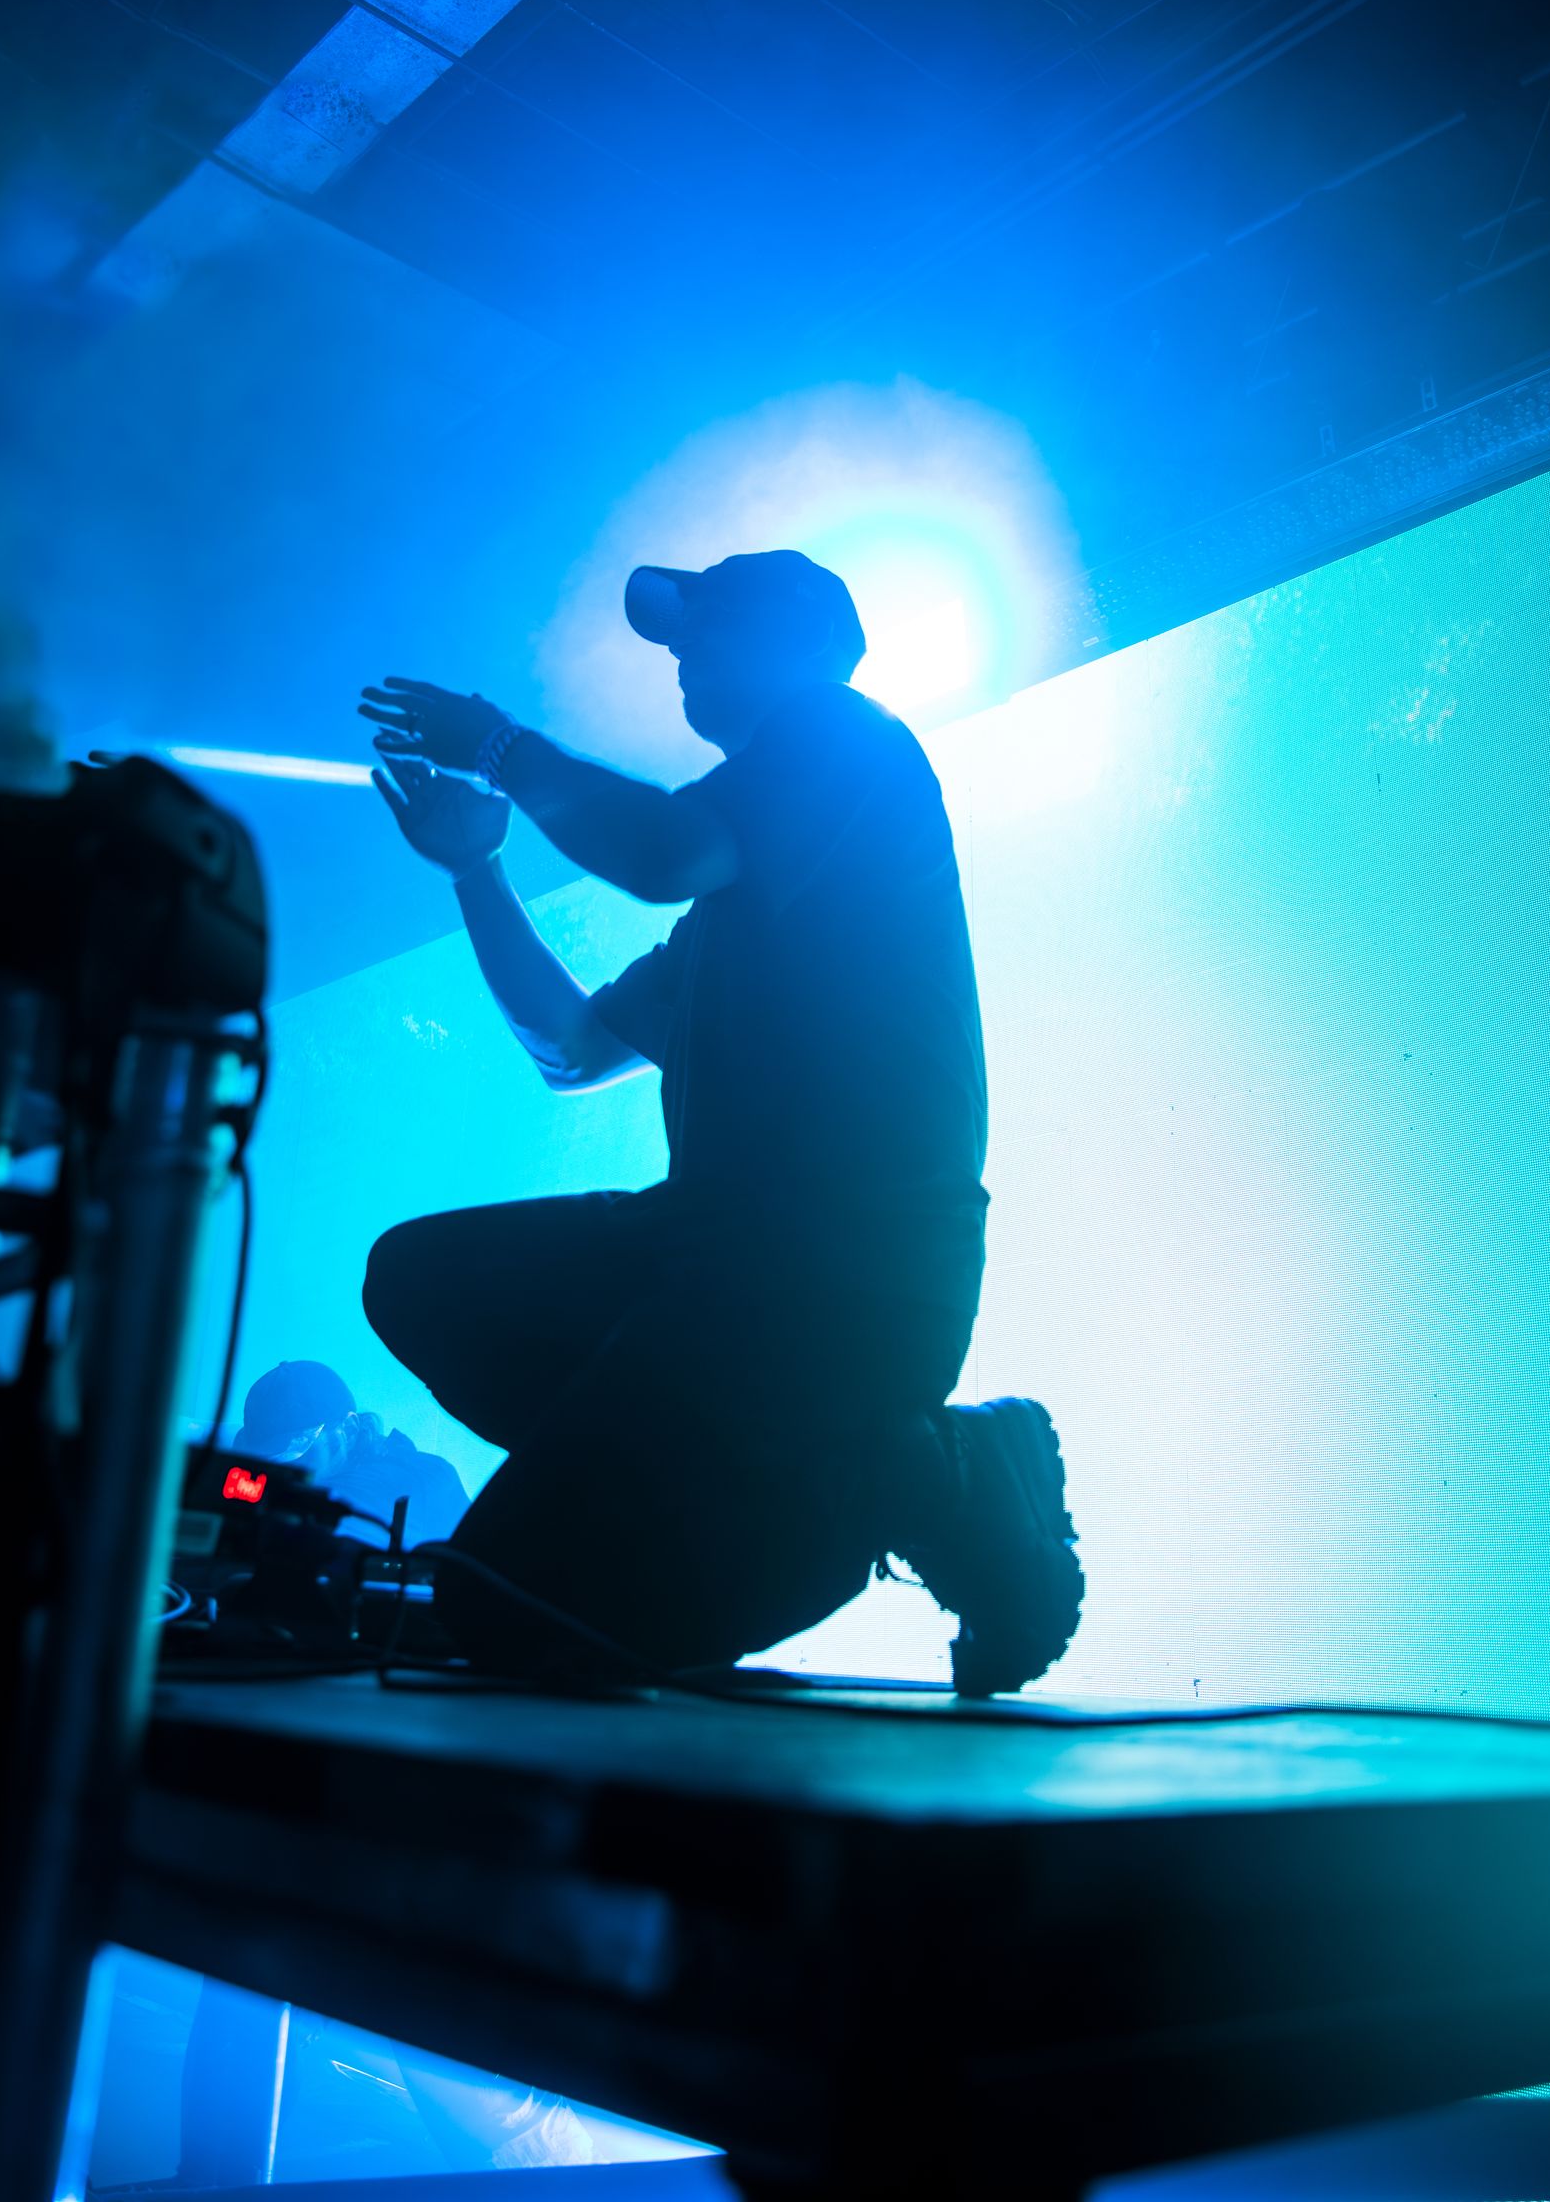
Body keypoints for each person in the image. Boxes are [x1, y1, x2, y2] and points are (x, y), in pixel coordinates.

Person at [357, 550, 1081, 1690]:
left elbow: (660, 850)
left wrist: (500, 746)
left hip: (846, 1283)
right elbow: (572, 1048)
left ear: (799, 635)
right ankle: (781, 1477)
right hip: (713, 1270)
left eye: (704, 627)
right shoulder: (721, 928)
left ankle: (917, 1480)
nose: (682, 655)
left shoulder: (844, 736)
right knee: (418, 1281)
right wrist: (475, 871)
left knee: (504, 1605)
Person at [233, 1357, 469, 1545]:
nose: (280, 1463)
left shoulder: (413, 1480)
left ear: (348, 1428)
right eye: (266, 1453)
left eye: (298, 1444)